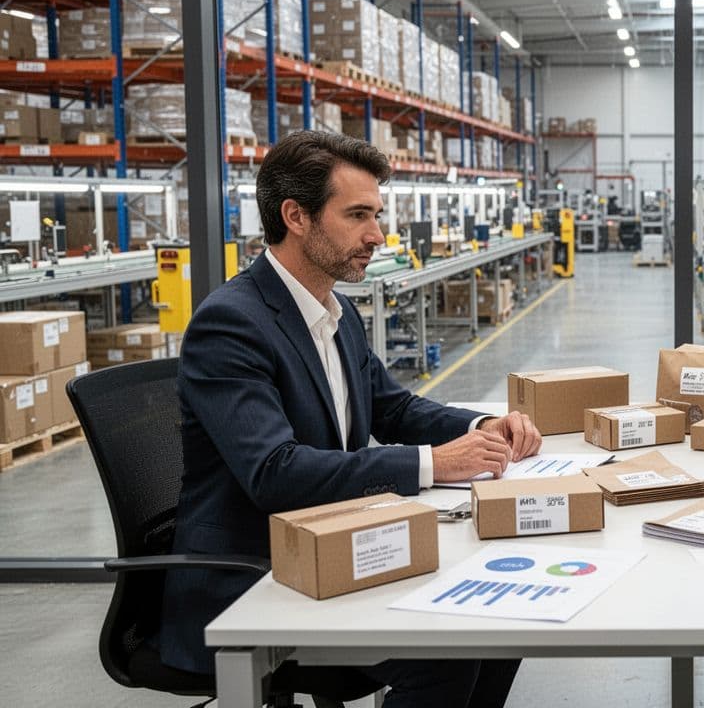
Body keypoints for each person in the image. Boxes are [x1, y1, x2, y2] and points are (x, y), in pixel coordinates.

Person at [162, 131, 541, 707]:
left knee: (500, 619)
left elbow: (393, 408)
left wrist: (480, 428)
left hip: (332, 539)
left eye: (377, 214)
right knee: (446, 650)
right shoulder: (231, 325)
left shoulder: (334, 311)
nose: (377, 235)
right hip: (253, 573)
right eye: (358, 215)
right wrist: (434, 463)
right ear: (296, 216)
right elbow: (275, 472)